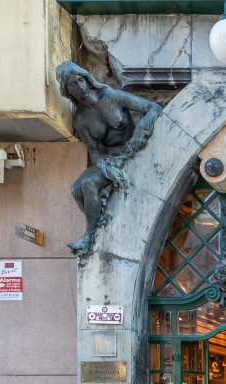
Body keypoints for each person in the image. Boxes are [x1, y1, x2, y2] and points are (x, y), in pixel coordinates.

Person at [56, 62, 161, 256]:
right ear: (67, 89)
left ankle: (88, 236)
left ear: (87, 79)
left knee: (88, 183)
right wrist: (106, 169)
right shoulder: (80, 118)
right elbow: (94, 153)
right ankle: (99, 223)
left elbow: (153, 108)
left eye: (81, 80)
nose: (80, 86)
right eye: (73, 84)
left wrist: (139, 132)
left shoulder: (112, 97)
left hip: (133, 152)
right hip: (110, 158)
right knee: (76, 190)